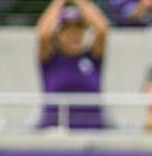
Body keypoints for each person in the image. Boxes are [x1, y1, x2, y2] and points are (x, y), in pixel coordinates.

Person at [36, 0, 109, 130]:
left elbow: (102, 29)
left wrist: (80, 2)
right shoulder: (51, 61)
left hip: (93, 134)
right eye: (67, 30)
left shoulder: (92, 58)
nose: (74, 35)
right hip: (55, 133)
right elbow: (43, 34)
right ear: (58, 36)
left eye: (78, 29)